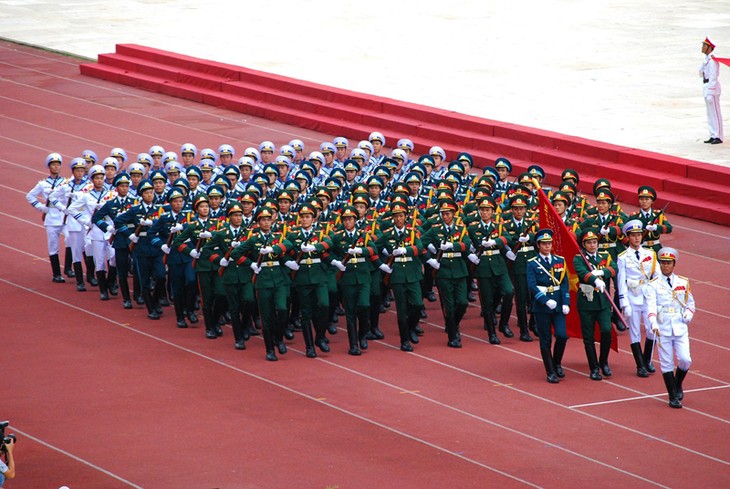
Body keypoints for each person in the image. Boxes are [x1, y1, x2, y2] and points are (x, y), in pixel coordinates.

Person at [644, 247, 695, 409]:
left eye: (669, 263)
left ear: (674, 264)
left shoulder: (683, 282)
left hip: (680, 326)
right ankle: (673, 396)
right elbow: (650, 307)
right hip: (663, 326)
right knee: (666, 363)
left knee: (685, 359)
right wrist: (653, 324)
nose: (665, 266)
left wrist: (688, 314)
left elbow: (690, 304)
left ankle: (677, 383)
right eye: (663, 263)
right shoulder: (653, 285)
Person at [616, 219, 660, 377]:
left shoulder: (650, 254)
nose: (637, 238)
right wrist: (624, 302)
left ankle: (647, 359)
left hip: (648, 297)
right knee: (634, 331)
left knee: (652, 330)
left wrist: (659, 298)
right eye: (633, 235)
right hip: (632, 296)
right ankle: (640, 365)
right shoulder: (623, 257)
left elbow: (658, 277)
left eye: (639, 235)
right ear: (628, 237)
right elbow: (621, 282)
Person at [527, 229, 570, 383]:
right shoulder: (532, 263)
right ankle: (550, 370)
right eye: (544, 244)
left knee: (562, 335)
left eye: (549, 243)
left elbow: (564, 283)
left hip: (558, 303)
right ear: (538, 245)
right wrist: (545, 300)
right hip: (542, 306)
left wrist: (566, 302)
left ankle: (557, 362)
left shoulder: (560, 260)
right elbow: (532, 285)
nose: (547, 246)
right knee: (545, 340)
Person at [574, 229, 617, 381]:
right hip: (587, 302)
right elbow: (581, 273)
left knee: (606, 331)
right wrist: (594, 279)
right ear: (584, 244)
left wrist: (601, 273)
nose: (592, 245)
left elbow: (614, 269)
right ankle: (594, 368)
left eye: (594, 242)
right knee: (588, 337)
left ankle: (603, 361)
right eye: (589, 243)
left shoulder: (604, 256)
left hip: (603, 302)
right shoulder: (579, 258)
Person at [26, 152, 68, 283]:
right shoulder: (43, 184)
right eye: (53, 165)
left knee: (71, 239)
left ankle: (68, 268)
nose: (56, 167)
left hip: (64, 216)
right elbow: (30, 196)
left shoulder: (66, 182)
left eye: (58, 164)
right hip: (51, 217)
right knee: (53, 245)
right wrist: (42, 208)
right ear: (49, 167)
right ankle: (56, 273)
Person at [700, 37, 723, 144]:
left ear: (709, 48)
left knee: (715, 112)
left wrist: (710, 91)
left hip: (712, 89)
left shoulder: (713, 61)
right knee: (710, 113)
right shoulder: (707, 60)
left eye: (704, 46)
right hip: (706, 86)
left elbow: (713, 77)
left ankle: (718, 136)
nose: (702, 47)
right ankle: (713, 134)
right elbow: (701, 73)